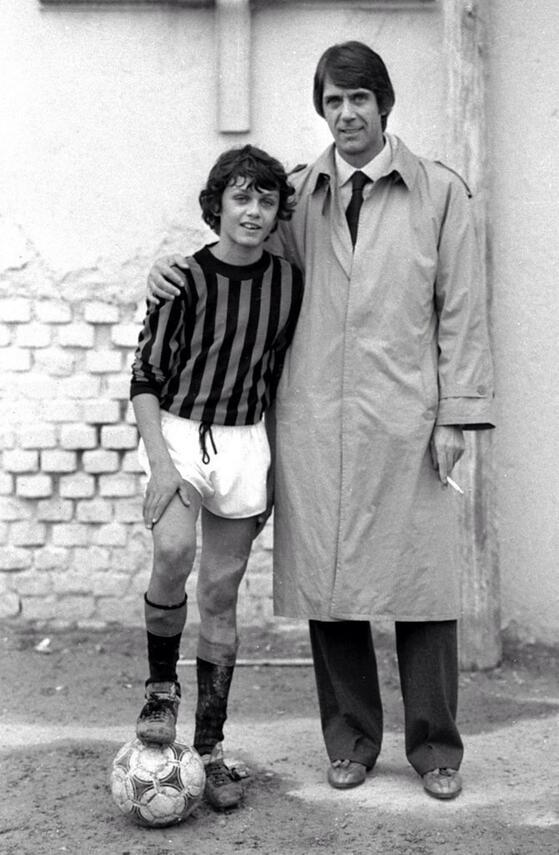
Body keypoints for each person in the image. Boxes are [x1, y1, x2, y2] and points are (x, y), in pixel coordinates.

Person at [146, 41, 494, 801]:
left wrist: (457, 416)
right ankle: (351, 740)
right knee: (329, 583)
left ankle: (435, 747)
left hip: (407, 417)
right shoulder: (297, 195)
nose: (346, 114)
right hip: (311, 420)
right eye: (333, 101)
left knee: (423, 584)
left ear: (383, 104)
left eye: (358, 99)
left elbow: (462, 311)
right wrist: (168, 272)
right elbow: (236, 250)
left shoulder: (439, 193)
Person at [130, 144, 302, 811]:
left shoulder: (289, 284)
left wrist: (277, 464)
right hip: (178, 432)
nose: (253, 210)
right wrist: (161, 464)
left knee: (222, 594)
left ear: (277, 212)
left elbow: (283, 377)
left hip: (243, 441)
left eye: (266, 199)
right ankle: (160, 691)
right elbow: (145, 377)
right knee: (174, 550)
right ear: (218, 205)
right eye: (241, 197)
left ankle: (209, 748)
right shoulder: (183, 279)